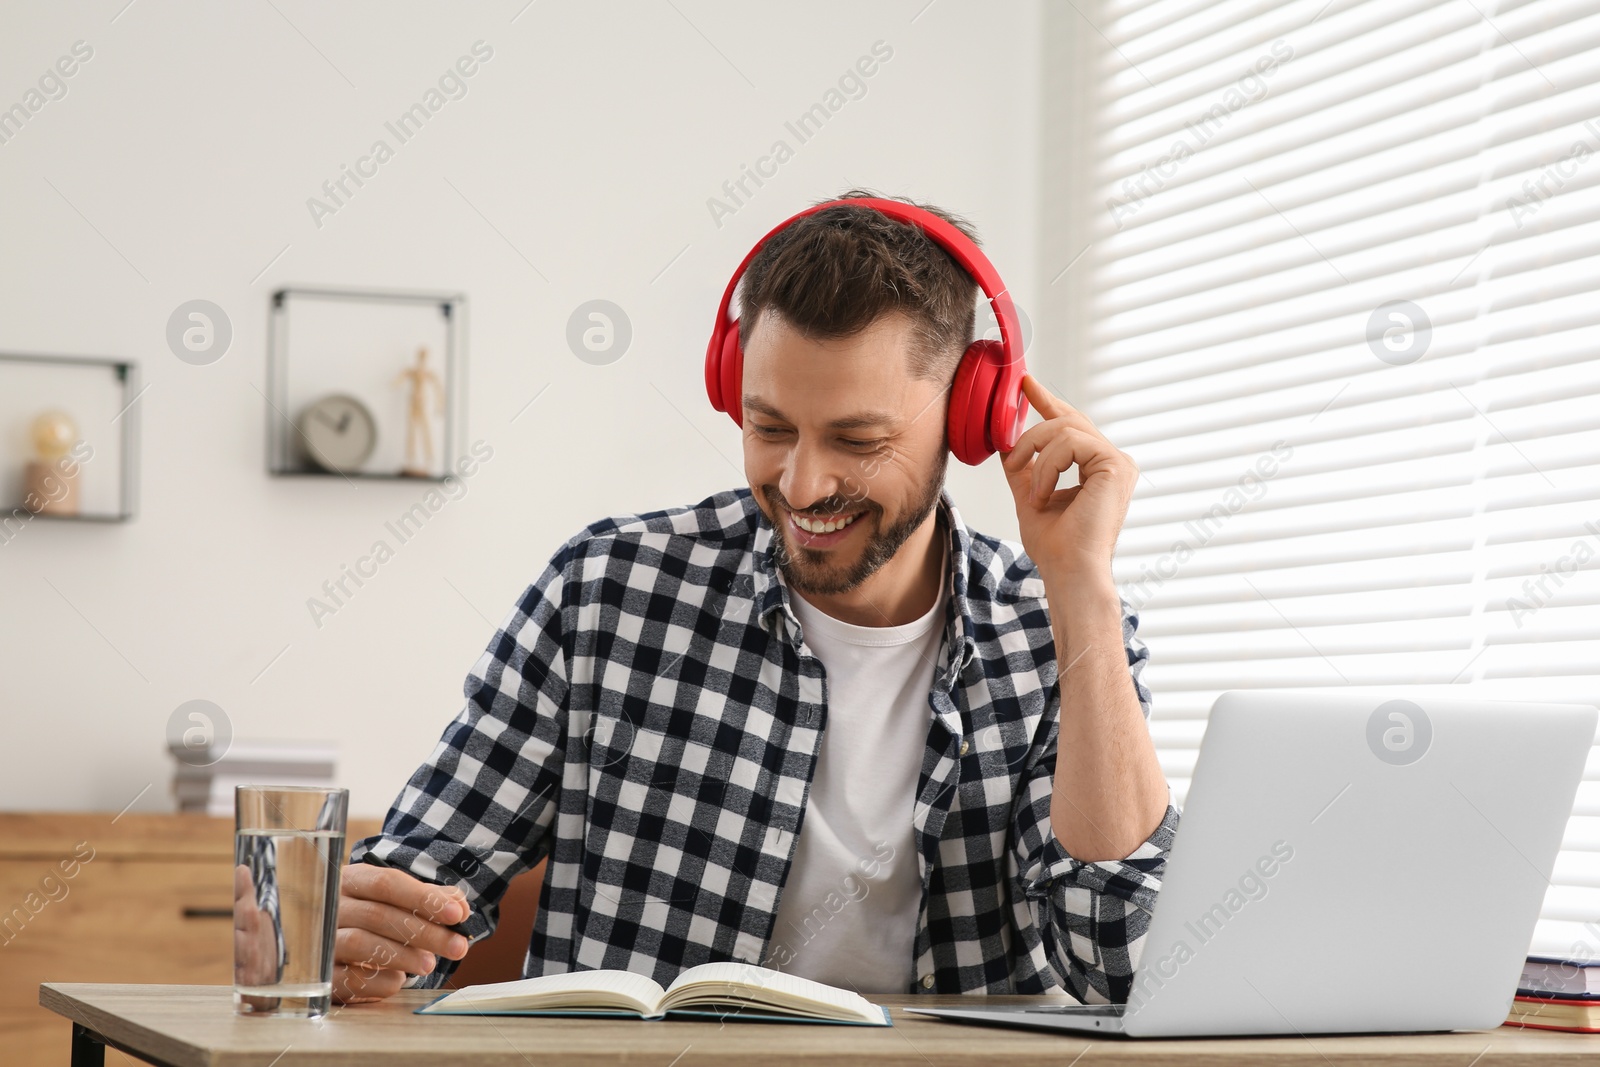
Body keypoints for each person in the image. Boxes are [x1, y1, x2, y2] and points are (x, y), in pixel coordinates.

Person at [335, 189, 1176, 1005]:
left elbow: (1123, 965)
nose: (803, 483)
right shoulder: (608, 591)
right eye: (769, 427)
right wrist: (349, 934)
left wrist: (1082, 590)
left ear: (969, 416)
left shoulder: (1049, 630)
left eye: (858, 439)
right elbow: (417, 883)